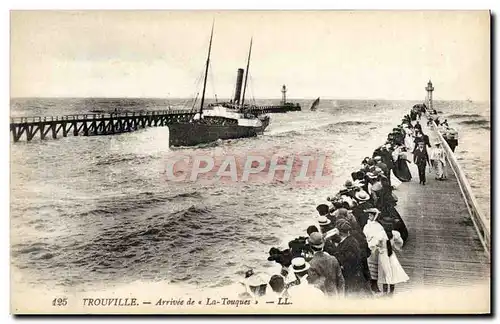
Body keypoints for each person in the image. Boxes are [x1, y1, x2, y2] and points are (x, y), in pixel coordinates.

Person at [332, 219, 371, 297]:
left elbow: (349, 261)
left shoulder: (349, 244)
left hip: (352, 277)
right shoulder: (350, 240)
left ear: (339, 232)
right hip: (356, 275)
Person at [307, 233, 345, 298]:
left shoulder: (311, 264)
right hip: (336, 296)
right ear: (323, 245)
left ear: (310, 246)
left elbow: (316, 287)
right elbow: (341, 280)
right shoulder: (333, 259)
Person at [362, 208, 384, 294]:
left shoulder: (378, 226)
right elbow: (365, 234)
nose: (369, 217)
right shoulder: (367, 225)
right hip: (369, 247)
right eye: (369, 215)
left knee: (375, 267)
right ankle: (371, 285)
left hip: (375, 248)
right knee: (369, 267)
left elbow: (380, 236)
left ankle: (374, 285)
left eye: (371, 215)